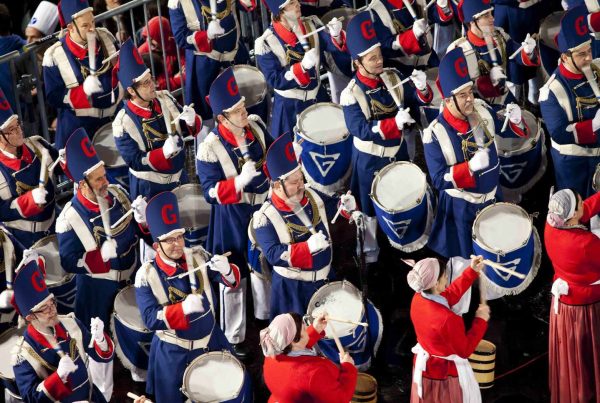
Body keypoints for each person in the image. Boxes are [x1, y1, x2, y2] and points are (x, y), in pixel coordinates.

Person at [134, 190, 252, 402]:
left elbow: (232, 282)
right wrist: (182, 309)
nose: (178, 244)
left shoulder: (197, 255)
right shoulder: (146, 275)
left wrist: (227, 270)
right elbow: (150, 318)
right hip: (175, 353)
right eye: (170, 240)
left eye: (179, 237)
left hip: (212, 340)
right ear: (156, 246)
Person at [341, 12, 433, 263]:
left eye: (379, 55)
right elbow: (360, 129)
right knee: (369, 209)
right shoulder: (350, 95)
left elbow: (418, 98)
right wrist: (392, 124)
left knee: (403, 196)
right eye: (372, 59)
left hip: (397, 152)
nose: (379, 61)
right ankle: (371, 255)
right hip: (369, 161)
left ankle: (404, 242)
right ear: (358, 63)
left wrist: (423, 87)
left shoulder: (392, 76)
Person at [196, 67, 273, 357]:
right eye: (236, 110)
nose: (244, 111)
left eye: (242, 106)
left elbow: (272, 151)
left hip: (264, 206)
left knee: (262, 262)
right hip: (233, 217)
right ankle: (234, 335)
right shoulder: (209, 148)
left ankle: (264, 317)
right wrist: (237, 182)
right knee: (233, 274)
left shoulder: (255, 124)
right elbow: (210, 192)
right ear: (221, 118)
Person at [423, 47, 527, 260]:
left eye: (470, 92)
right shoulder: (434, 134)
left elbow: (505, 127)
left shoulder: (481, 109)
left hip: (492, 196)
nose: (470, 99)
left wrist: (516, 119)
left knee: (493, 250)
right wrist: (468, 168)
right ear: (448, 100)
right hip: (461, 207)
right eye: (463, 95)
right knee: (465, 260)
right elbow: (437, 179)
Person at [252, 134, 356, 318]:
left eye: (301, 178)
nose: (301, 186)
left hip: (325, 278)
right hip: (293, 292)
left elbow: (332, 207)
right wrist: (307, 248)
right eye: (294, 182)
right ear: (276, 185)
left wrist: (345, 206)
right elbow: (274, 254)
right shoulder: (264, 218)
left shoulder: (310, 193)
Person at [56, 128, 142, 332]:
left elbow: (139, 233)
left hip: (132, 278)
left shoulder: (118, 194)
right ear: (82, 184)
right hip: (99, 290)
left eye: (104, 176)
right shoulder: (69, 219)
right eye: (98, 179)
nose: (106, 182)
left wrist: (144, 220)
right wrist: (97, 258)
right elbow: (68, 261)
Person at [11, 255, 115, 402]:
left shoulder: (71, 323)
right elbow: (31, 399)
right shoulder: (22, 355)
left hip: (91, 397)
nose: (53, 310)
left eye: (52, 303)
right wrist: (57, 377)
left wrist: (100, 339)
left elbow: (100, 355)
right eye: (44, 309)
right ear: (30, 317)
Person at [113, 38, 201, 200]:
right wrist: (162, 154)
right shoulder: (122, 123)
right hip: (150, 188)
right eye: (146, 83)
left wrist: (191, 120)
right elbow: (134, 161)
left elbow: (187, 128)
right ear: (132, 91)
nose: (153, 85)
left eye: (151, 79)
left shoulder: (165, 98)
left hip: (180, 177)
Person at [255, 0, 349, 136]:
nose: (298, 4)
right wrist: (301, 67)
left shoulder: (311, 24)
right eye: (292, 3)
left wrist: (336, 35)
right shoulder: (265, 43)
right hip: (288, 108)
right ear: (280, 11)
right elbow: (274, 80)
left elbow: (330, 45)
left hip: (317, 96)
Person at [408, 255, 490, 403]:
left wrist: (471, 271)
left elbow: (449, 295)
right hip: (443, 373)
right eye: (445, 277)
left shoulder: (418, 297)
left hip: (425, 366)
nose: (447, 279)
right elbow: (464, 350)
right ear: (436, 283)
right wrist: (481, 320)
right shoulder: (447, 319)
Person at [544, 189, 600, 402]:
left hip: (564, 307)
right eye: (579, 202)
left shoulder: (552, 223)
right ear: (573, 215)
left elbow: (585, 209)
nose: (583, 202)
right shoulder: (586, 243)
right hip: (586, 308)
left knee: (571, 360)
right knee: (587, 359)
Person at [539, 5, 600, 198]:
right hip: (573, 164)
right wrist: (594, 125)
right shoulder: (550, 91)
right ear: (565, 57)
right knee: (577, 210)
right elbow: (559, 133)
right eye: (582, 54)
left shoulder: (595, 68)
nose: (589, 58)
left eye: (589, 50)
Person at [43, 0, 121, 149]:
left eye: (93, 21)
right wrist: (81, 92)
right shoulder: (53, 57)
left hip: (114, 119)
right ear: (71, 28)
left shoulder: (106, 37)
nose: (92, 28)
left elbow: (122, 67)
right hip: (80, 129)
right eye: (85, 25)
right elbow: (53, 96)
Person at [168, 0, 253, 131]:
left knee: (246, 108)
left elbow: (245, 5)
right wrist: (206, 35)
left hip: (235, 55)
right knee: (206, 119)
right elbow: (181, 37)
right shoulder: (177, 2)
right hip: (204, 65)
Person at [447, 0, 539, 105]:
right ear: (473, 21)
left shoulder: (499, 35)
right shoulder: (458, 50)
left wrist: (528, 51)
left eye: (491, 13)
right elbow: (460, 93)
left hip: (504, 97)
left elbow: (516, 51)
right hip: (476, 105)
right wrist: (489, 80)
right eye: (486, 16)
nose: (493, 18)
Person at [0, 89, 57, 248]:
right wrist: (28, 201)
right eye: (11, 130)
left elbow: (60, 167)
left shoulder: (37, 144)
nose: (19, 131)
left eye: (17, 125)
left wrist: (67, 160)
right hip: (24, 241)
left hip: (55, 224)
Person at [261, 312, 358, 402]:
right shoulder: (312, 375)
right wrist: (349, 368)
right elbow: (340, 399)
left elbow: (296, 349)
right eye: (304, 329)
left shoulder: (273, 349)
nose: (307, 327)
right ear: (294, 341)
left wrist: (315, 329)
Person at [368, 0, 452, 74]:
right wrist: (412, 36)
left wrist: (443, 7)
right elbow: (384, 48)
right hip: (402, 72)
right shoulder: (375, 10)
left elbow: (433, 13)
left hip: (430, 60)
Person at [138, 16, 184, 91]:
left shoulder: (176, 45)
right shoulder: (141, 53)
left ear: (162, 37)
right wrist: (175, 80)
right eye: (146, 37)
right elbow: (149, 87)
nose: (148, 41)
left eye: (152, 37)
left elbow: (186, 74)